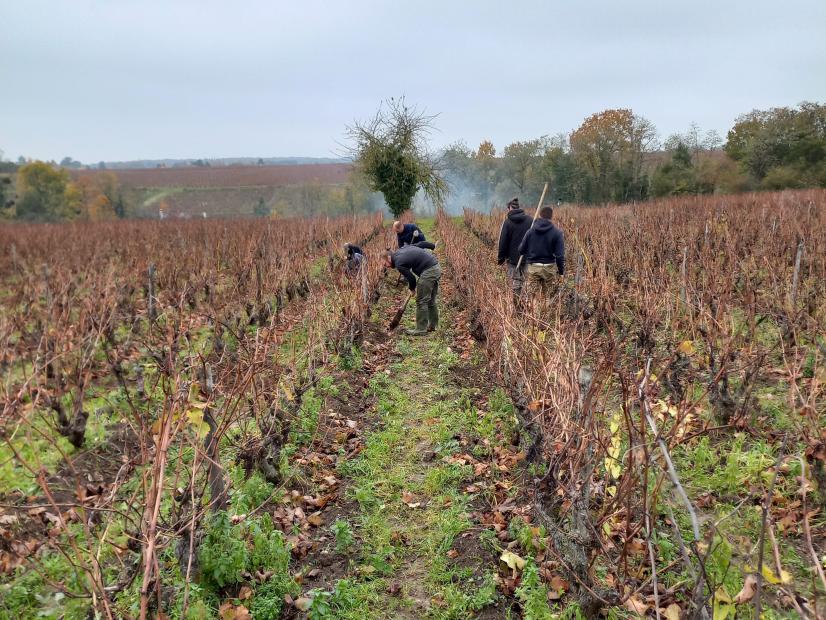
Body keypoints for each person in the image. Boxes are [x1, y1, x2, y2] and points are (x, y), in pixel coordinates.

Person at [383, 245, 441, 335]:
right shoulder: (400, 251)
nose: (386, 266)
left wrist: (412, 289)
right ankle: (433, 326)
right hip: (435, 267)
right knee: (430, 300)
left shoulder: (398, 263)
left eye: (385, 263)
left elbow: (411, 278)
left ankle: (421, 329)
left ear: (389, 258)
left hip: (429, 271)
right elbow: (418, 245)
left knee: (421, 301)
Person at [517, 206, 565, 298]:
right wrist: (561, 272)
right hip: (549, 268)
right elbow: (560, 255)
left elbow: (521, 250)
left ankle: (533, 311)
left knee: (531, 297)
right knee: (547, 297)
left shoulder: (530, 231)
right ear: (551, 217)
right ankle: (545, 311)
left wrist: (531, 248)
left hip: (533, 268)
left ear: (539, 215)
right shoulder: (557, 233)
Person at [497, 197, 532, 301]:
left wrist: (501, 258)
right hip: (528, 257)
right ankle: (527, 304)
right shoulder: (531, 220)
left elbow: (503, 242)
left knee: (516, 281)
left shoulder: (507, 223)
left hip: (512, 259)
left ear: (509, 208)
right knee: (527, 281)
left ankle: (517, 305)